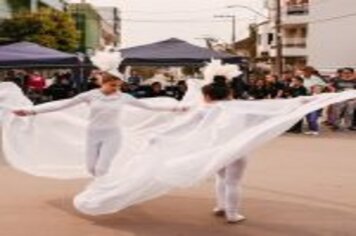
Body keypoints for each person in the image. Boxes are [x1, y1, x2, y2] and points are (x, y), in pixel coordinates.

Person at [13, 72, 185, 177]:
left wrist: (175, 108)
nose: (116, 88)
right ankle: (103, 185)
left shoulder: (124, 97)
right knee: (91, 168)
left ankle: (102, 193)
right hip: (93, 134)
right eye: (112, 85)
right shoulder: (90, 95)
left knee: (102, 168)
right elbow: (61, 104)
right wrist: (31, 111)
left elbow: (149, 106)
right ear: (102, 83)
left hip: (113, 135)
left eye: (118, 86)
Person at [201, 77, 248, 224]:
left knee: (221, 178)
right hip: (237, 149)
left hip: (217, 149)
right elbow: (269, 108)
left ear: (208, 97)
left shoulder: (205, 110)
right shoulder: (239, 108)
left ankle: (221, 206)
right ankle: (232, 214)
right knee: (233, 182)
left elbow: (184, 124)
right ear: (229, 94)